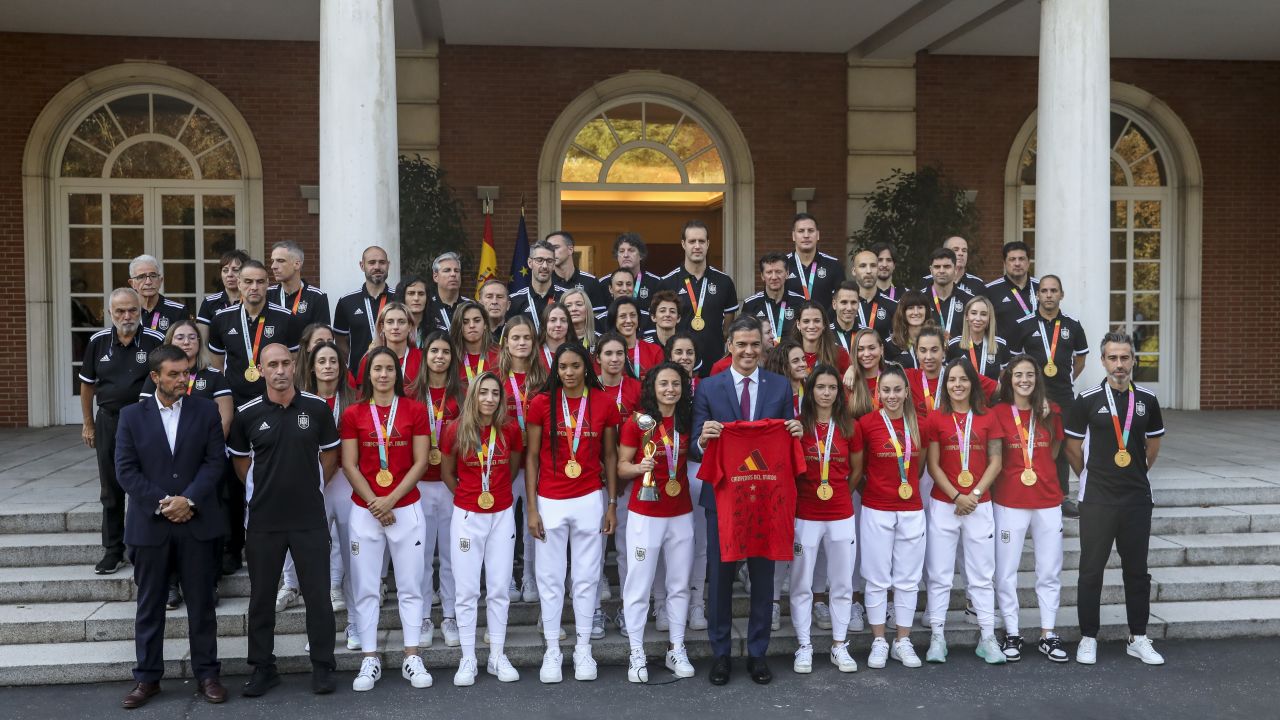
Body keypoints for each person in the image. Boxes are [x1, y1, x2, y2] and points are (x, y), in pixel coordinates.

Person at [691, 316, 803, 686]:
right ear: (729, 346)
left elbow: (787, 438)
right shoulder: (708, 387)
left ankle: (758, 653)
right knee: (720, 578)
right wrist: (704, 439)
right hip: (722, 496)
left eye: (755, 344)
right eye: (741, 344)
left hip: (766, 497)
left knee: (763, 577)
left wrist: (795, 430)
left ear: (764, 346)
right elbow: (694, 444)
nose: (749, 351)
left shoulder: (780, 387)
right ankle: (720, 655)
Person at [114, 345, 228, 708]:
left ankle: (208, 675)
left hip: (197, 522)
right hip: (151, 525)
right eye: (175, 374)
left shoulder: (206, 410)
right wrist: (164, 503)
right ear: (155, 377)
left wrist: (188, 500)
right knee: (149, 605)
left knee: (202, 604)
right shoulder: (131, 416)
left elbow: (214, 464)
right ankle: (147, 678)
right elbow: (125, 470)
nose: (183, 380)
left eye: (186, 373)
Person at [227, 344, 340, 697]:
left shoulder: (318, 409)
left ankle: (322, 667)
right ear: (260, 370)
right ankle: (263, 668)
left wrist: (307, 487)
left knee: (319, 597)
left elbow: (331, 455)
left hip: (309, 517)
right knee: (262, 597)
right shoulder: (246, 415)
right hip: (264, 521)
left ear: (295, 366)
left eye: (285, 363)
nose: (280, 370)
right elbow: (242, 464)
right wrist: (266, 490)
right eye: (272, 365)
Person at [1064, 332, 1166, 666]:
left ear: (1133, 360)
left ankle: (1138, 637)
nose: (1119, 365)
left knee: (1137, 572)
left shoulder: (1147, 400)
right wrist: (1091, 477)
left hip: (1136, 499)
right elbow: (1072, 448)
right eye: (1112, 358)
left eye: (1125, 358)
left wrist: (1134, 474)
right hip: (1098, 499)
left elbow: (1152, 448)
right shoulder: (1088, 399)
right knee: (1091, 570)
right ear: (1103, 361)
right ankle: (1088, 637)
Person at [525, 343, 621, 683]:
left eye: (575, 366)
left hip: (590, 499)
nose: (568, 372)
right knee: (550, 580)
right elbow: (532, 458)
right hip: (550, 499)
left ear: (586, 367)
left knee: (586, 578)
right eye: (563, 366)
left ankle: (582, 648)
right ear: (556, 368)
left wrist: (611, 504)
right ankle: (552, 648)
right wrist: (533, 509)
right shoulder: (540, 403)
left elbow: (610, 457)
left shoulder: (605, 402)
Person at [340, 346, 433, 692]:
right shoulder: (353, 413)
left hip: (405, 507)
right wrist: (374, 502)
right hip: (365, 510)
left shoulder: (414, 409)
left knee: (411, 585)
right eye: (377, 369)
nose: (382, 375)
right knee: (365, 588)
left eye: (388, 369)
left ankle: (412, 655)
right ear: (368, 375)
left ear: (397, 374)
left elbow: (421, 461)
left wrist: (390, 499)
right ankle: (369, 657)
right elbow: (349, 464)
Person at [139, 319, 233, 610]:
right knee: (167, 529)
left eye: (192, 337)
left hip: (204, 465)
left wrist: (206, 449)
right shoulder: (152, 379)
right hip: (165, 468)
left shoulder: (213, 376)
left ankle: (210, 581)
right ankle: (170, 584)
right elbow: (145, 423)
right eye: (179, 336)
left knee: (207, 525)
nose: (187, 341)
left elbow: (224, 419)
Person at [441, 371, 525, 685]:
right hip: (466, 515)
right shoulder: (454, 430)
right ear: (473, 395)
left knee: (500, 587)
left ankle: (497, 655)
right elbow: (448, 472)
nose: (489, 398)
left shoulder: (510, 429)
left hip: (502, 513)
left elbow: (514, 467)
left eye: (495, 393)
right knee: (466, 591)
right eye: (483, 392)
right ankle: (467, 658)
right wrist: (468, 497)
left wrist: (493, 495)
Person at [922, 359, 1006, 665]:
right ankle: (937, 637)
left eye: (963, 380)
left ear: (973, 383)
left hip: (980, 504)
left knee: (982, 575)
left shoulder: (988, 417)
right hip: (945, 504)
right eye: (952, 380)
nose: (957, 385)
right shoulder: (935, 418)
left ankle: (988, 637)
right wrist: (957, 495)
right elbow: (932, 465)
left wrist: (974, 494)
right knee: (940, 574)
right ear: (945, 386)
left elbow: (995, 461)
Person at [617, 362, 697, 682]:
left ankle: (676, 648)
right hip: (646, 513)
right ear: (652, 387)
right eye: (663, 383)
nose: (670, 390)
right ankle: (636, 652)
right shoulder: (638, 422)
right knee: (639, 585)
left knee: (678, 584)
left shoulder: (688, 419)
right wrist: (639, 468)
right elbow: (621, 467)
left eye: (676, 384)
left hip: (681, 512)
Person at [80, 288, 166, 574]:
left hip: (144, 423)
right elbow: (87, 385)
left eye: (131, 310)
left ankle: (144, 545)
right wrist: (88, 424)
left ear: (140, 309)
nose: (126, 316)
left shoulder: (154, 341)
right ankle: (113, 550)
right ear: (110, 313)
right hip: (108, 421)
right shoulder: (97, 342)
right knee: (111, 488)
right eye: (120, 311)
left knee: (146, 484)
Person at [992, 354, 1067, 663]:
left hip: (1047, 499)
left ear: (1037, 380)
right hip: (1010, 501)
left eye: (1030, 375)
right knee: (1006, 572)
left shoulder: (1051, 412)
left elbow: (1054, 449)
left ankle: (1048, 634)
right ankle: (1012, 632)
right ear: (1009, 380)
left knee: (1049, 570)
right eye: (1018, 375)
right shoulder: (997, 413)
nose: (1024, 380)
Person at [790, 364, 861, 675]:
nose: (827, 393)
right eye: (821, 387)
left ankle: (839, 644)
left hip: (841, 513)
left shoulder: (849, 428)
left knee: (843, 581)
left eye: (832, 388)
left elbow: (857, 470)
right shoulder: (798, 426)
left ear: (839, 392)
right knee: (802, 582)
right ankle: (804, 645)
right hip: (805, 513)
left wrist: (839, 492)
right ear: (811, 390)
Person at [855, 364, 925, 670]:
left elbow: (918, 468)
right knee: (877, 578)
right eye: (886, 390)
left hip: (911, 510)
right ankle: (880, 641)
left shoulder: (919, 423)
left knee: (908, 579)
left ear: (907, 392)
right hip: (876, 508)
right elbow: (858, 471)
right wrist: (876, 491)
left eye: (898, 390)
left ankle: (903, 641)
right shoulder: (866, 424)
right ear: (877, 392)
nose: (892, 395)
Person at [299, 339, 361, 648]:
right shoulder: (301, 402)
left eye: (333, 361)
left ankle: (355, 625)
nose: (327, 366)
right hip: (313, 486)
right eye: (321, 361)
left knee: (354, 559)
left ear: (341, 367)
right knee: (316, 560)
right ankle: (319, 630)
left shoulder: (355, 400)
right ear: (311, 366)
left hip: (349, 485)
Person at [1012, 274, 1088, 517]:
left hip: (1064, 398)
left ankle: (1062, 495)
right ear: (1037, 295)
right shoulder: (1024, 325)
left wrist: (1065, 380)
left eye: (1053, 291)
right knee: (1030, 443)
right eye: (1043, 291)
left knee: (1063, 447)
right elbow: (1013, 362)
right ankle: (1029, 489)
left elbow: (1081, 360)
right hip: (1030, 397)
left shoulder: (1072, 325)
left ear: (1061, 295)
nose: (1048, 295)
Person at [413, 331, 464, 648]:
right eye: (434, 351)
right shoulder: (411, 394)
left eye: (445, 351)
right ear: (425, 355)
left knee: (450, 555)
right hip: (417, 483)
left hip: (451, 484)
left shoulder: (463, 393)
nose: (440, 356)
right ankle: (422, 617)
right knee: (419, 557)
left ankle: (450, 616)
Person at [498, 316, 546, 602]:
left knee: (533, 516)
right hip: (505, 458)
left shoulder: (543, 377)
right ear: (505, 342)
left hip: (537, 459)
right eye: (515, 338)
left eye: (526, 338)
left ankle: (530, 577)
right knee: (505, 522)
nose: (521, 343)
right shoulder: (497, 376)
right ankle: (506, 579)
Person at [209, 260, 299, 406]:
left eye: (260, 282)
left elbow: (296, 362)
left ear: (268, 284)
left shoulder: (287, 318)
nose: (254, 287)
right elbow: (217, 365)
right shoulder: (221, 319)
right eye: (248, 282)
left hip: (274, 402)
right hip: (235, 402)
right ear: (239, 284)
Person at [659, 220, 738, 377]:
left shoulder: (724, 282)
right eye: (692, 241)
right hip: (679, 366)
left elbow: (727, 329)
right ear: (683, 244)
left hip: (714, 365)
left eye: (701, 241)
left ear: (708, 244)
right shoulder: (667, 282)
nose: (697, 246)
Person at [334, 246, 397, 368]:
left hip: (393, 373)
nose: (377, 267)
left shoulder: (399, 298)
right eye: (372, 263)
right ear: (362, 266)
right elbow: (340, 341)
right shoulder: (347, 302)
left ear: (388, 265)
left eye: (382, 262)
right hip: (358, 377)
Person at [268, 240, 330, 337]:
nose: (273, 266)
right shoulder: (267, 294)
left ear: (297, 264)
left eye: (280, 261)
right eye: (272, 261)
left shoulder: (316, 297)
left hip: (303, 352)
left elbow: (322, 339)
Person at [352, 302, 421, 389]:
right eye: (390, 322)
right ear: (382, 327)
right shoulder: (369, 358)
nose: (395, 327)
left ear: (410, 326)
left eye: (401, 322)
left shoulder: (422, 358)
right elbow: (363, 395)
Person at [784, 213, 846, 309]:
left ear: (817, 235)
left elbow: (841, 301)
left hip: (825, 323)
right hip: (791, 323)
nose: (806, 235)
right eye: (801, 231)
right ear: (793, 236)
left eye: (810, 231)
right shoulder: (783, 265)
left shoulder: (834, 265)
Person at [983, 240, 1039, 341]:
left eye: (1021, 259)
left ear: (1028, 262)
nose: (1017, 263)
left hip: (1037, 352)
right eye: (1012, 259)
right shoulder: (990, 290)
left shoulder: (1041, 287)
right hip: (1004, 353)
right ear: (1004, 263)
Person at [741, 252, 804, 342]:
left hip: (791, 355)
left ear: (787, 273)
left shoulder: (800, 302)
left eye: (778, 272)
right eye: (769, 272)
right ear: (762, 276)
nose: (774, 277)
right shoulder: (750, 304)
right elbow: (744, 336)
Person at [947, 295, 1010, 382]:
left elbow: (1005, 380)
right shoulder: (953, 345)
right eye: (973, 313)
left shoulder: (1000, 344)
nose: (978, 318)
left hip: (991, 395)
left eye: (983, 314)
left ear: (989, 318)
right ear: (966, 316)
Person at [506, 240, 563, 331]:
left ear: (554, 264)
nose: (544, 266)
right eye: (539, 260)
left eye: (549, 261)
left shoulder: (565, 297)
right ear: (530, 263)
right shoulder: (514, 300)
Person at [197, 249, 251, 345]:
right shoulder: (209, 302)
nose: (229, 275)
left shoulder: (253, 301)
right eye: (225, 270)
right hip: (215, 356)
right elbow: (202, 342)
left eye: (235, 270)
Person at [546, 231, 609, 313]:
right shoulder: (545, 281)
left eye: (556, 247)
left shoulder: (591, 281)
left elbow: (598, 318)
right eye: (549, 249)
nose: (552, 252)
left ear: (570, 249)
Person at [129, 254, 189, 334]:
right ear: (132, 283)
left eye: (153, 276)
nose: (148, 282)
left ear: (160, 281)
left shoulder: (178, 311)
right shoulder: (127, 312)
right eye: (141, 277)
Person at [607, 297, 664, 380]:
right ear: (614, 320)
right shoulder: (606, 353)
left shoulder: (655, 351)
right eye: (623, 316)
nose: (629, 320)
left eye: (633, 315)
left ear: (638, 318)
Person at [789, 302, 851, 377]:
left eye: (817, 321)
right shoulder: (788, 354)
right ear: (798, 324)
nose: (811, 326)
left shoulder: (839, 353)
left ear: (824, 324)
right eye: (806, 321)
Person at [925, 248, 974, 342]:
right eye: (937, 267)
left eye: (947, 266)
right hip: (928, 355)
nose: (942, 271)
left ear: (955, 269)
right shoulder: (920, 299)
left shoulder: (969, 300)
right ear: (931, 270)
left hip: (961, 355)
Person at [849, 250, 897, 341]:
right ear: (854, 271)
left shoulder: (893, 306)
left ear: (878, 270)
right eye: (863, 266)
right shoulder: (842, 306)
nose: (868, 271)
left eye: (873, 266)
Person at [450, 300, 498, 389]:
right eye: (465, 322)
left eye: (477, 320)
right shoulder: (450, 357)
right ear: (458, 326)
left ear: (485, 324)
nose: (472, 325)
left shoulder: (500, 354)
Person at [606, 232, 662, 306]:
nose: (626, 255)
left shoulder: (656, 283)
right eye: (622, 251)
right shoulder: (604, 283)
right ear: (617, 256)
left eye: (631, 250)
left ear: (641, 255)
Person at [920, 236, 985, 296]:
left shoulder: (977, 284)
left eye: (964, 250)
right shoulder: (927, 281)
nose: (961, 253)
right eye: (956, 250)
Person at [885, 290, 935, 366]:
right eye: (910, 308)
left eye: (920, 307)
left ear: (926, 311)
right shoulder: (892, 343)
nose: (916, 312)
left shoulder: (936, 339)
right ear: (903, 312)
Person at [425, 252, 471, 334]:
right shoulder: (427, 305)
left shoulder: (470, 305)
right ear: (435, 277)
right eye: (447, 270)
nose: (453, 274)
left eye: (457, 271)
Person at [534, 303, 578, 371]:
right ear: (544, 324)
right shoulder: (534, 354)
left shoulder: (579, 352)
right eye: (553, 320)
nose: (558, 325)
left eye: (563, 320)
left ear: (568, 325)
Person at [401, 276, 431, 345]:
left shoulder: (435, 329)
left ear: (427, 298)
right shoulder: (395, 329)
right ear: (403, 297)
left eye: (421, 294)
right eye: (411, 293)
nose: (416, 298)